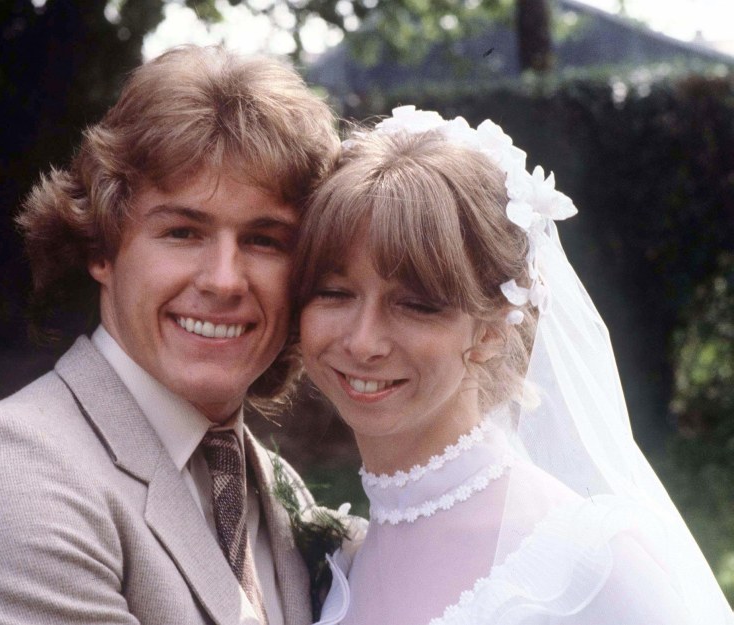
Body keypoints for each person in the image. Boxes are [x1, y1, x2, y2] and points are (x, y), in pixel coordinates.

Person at [0, 45, 340, 625]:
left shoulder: (272, 489)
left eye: (264, 240)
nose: (225, 281)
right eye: (182, 232)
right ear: (101, 248)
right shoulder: (0, 481)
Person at [292, 106, 734, 624]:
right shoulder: (342, 560)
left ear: (493, 329)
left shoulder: (588, 564)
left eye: (416, 304)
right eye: (334, 293)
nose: (363, 341)